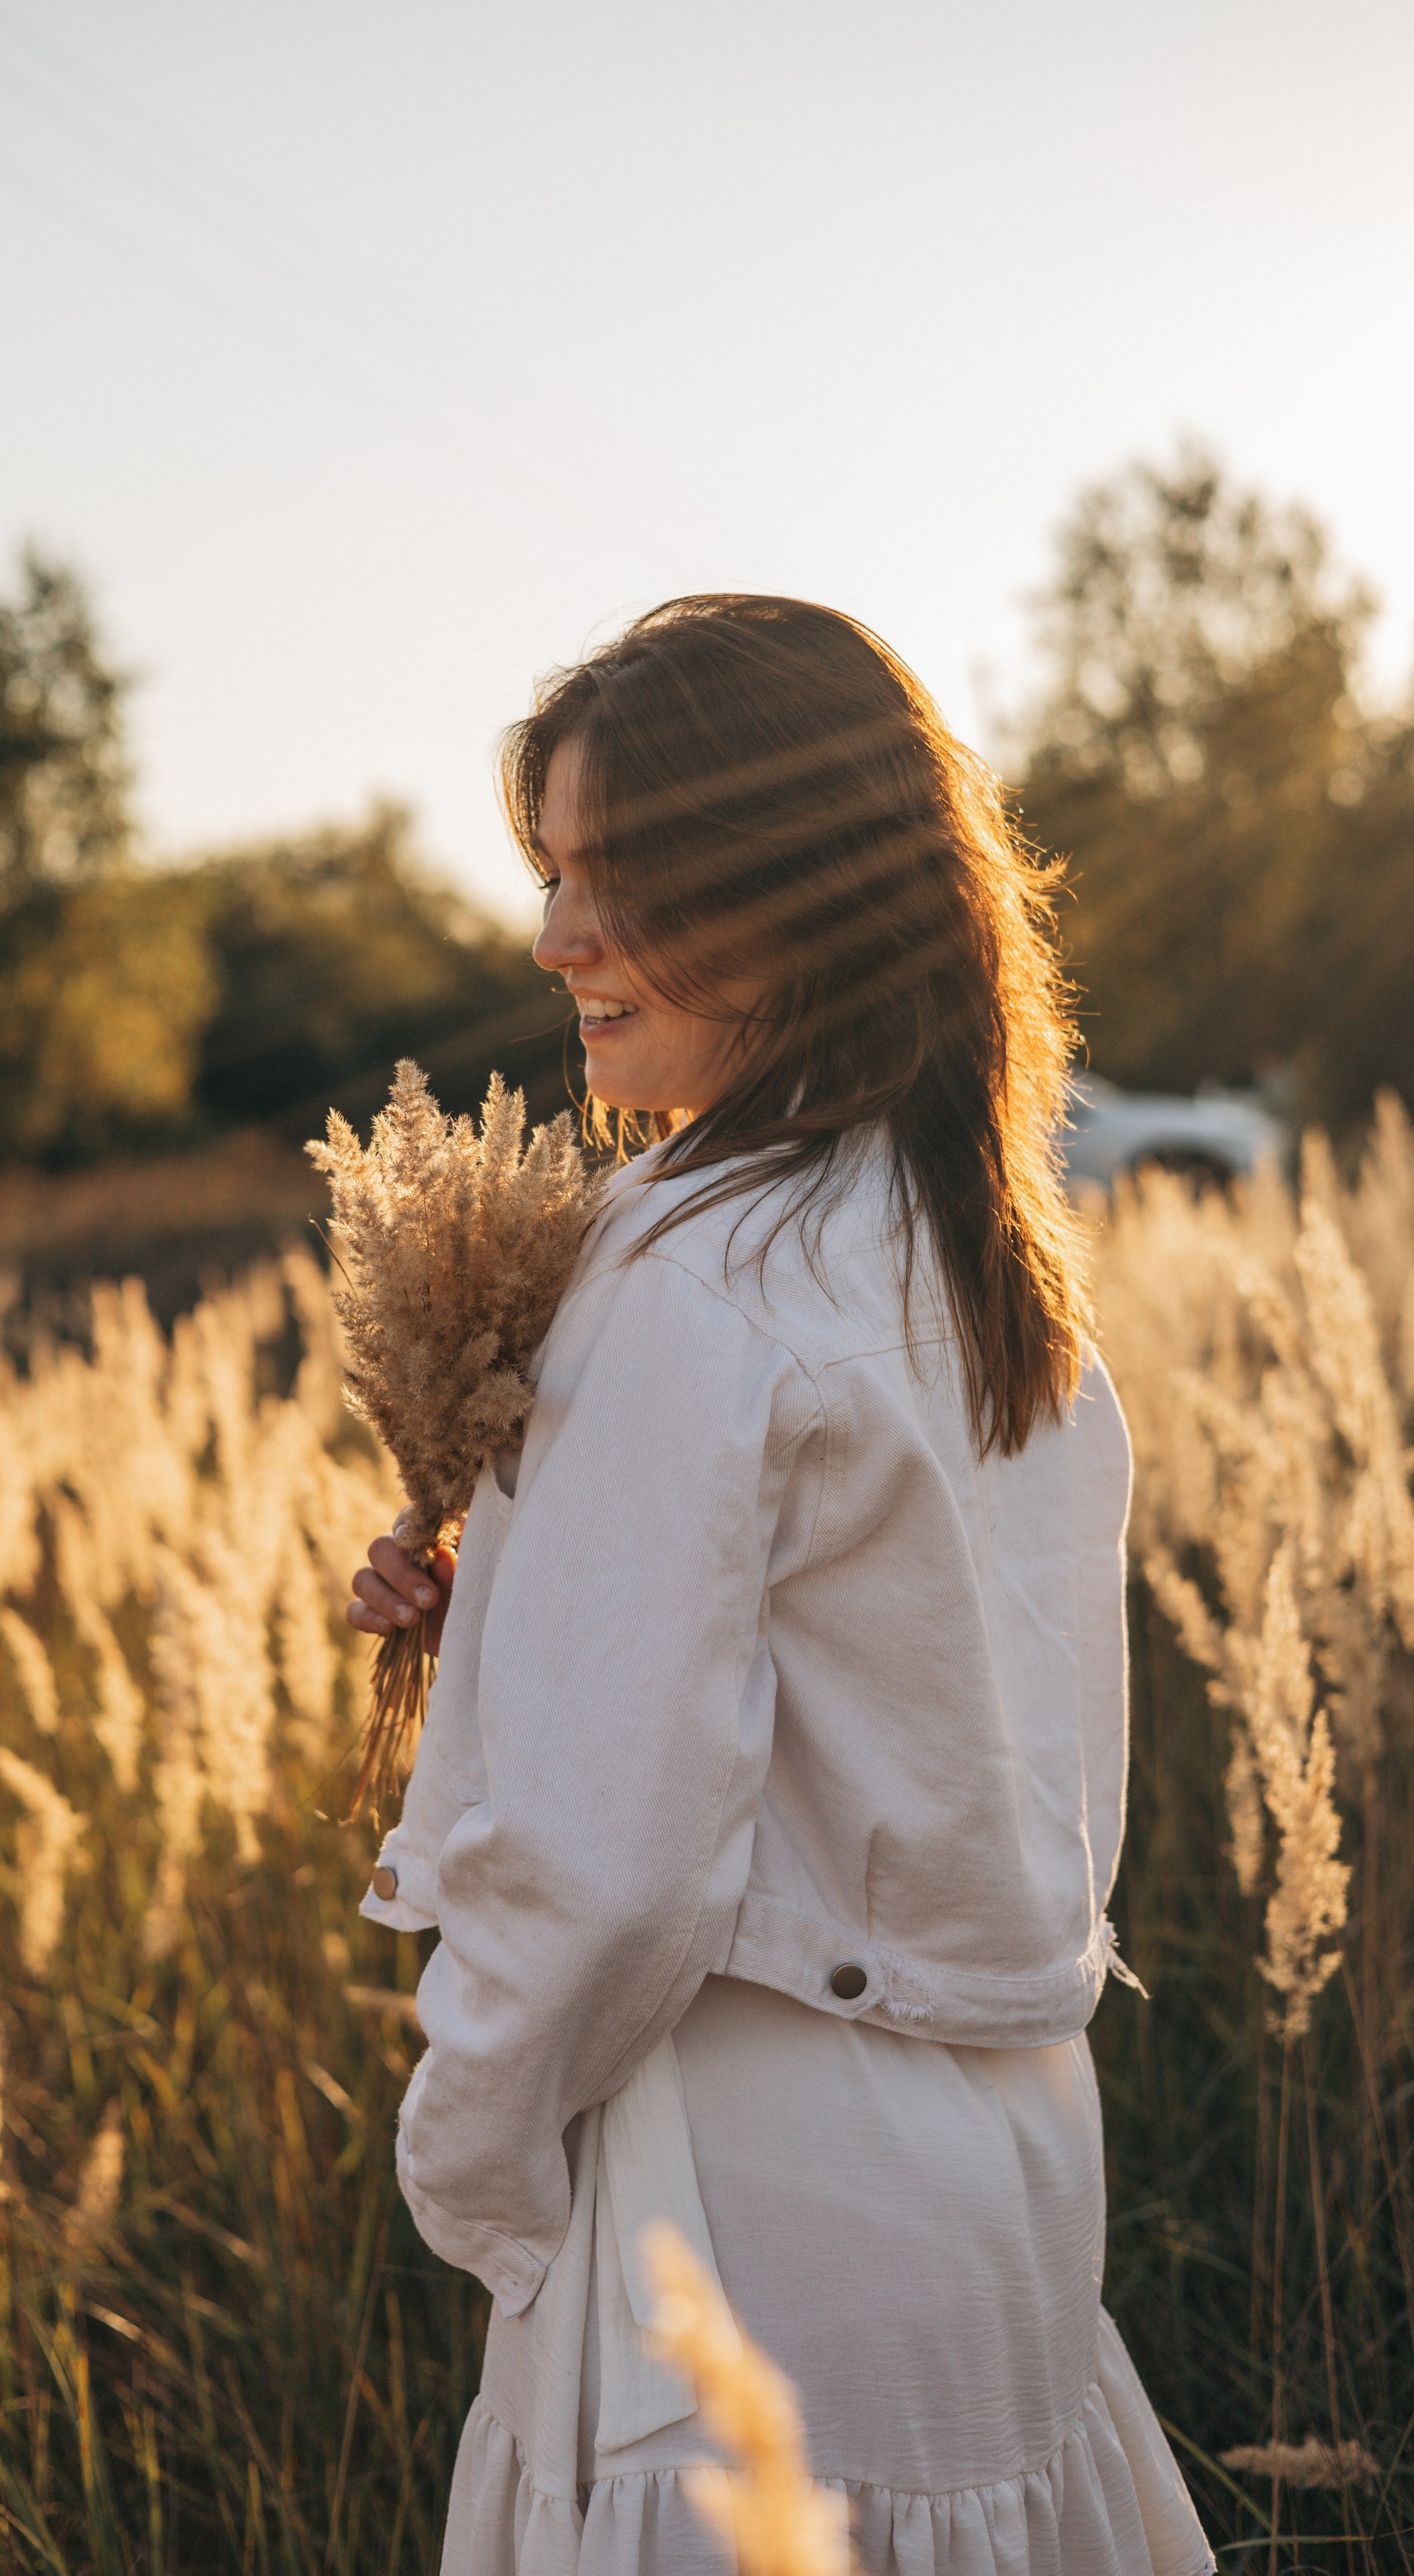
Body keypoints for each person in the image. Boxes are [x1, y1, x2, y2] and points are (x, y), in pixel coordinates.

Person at [347, 596, 1213, 2576]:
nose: (556, 939)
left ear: (801, 889)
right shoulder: (971, 1242)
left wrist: (468, 2158)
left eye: (622, 879)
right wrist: (517, 1606)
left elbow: (603, 1870)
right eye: (554, 872)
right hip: (998, 2181)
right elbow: (922, 1703)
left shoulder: (687, 1280)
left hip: (740, 2223)